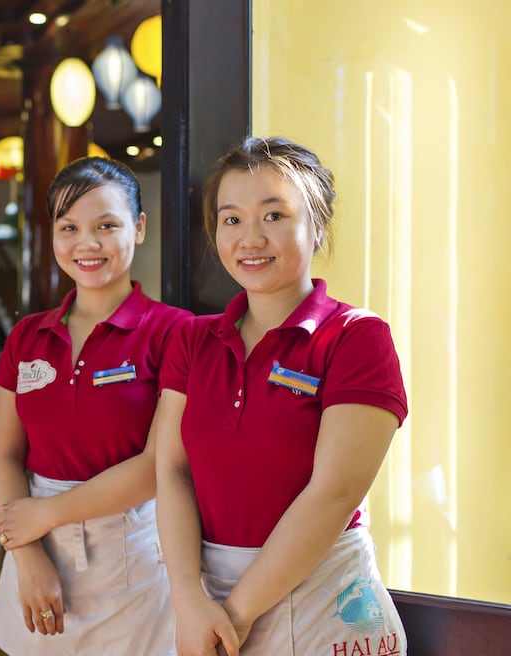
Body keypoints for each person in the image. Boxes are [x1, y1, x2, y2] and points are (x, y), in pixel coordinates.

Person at [154, 136, 408, 656]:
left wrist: (235, 617)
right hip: (207, 602)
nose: (251, 238)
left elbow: (333, 494)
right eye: (232, 219)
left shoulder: (356, 337)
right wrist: (188, 600)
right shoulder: (192, 340)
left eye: (274, 215)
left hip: (324, 604)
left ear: (317, 227)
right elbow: (172, 470)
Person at [0, 156, 188, 655]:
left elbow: (159, 466)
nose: (87, 244)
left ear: (139, 228)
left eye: (106, 226)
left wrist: (45, 514)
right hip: (33, 549)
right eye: (69, 228)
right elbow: (4, 456)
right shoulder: (27, 336)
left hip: (132, 555)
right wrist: (27, 554)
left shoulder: (175, 332)